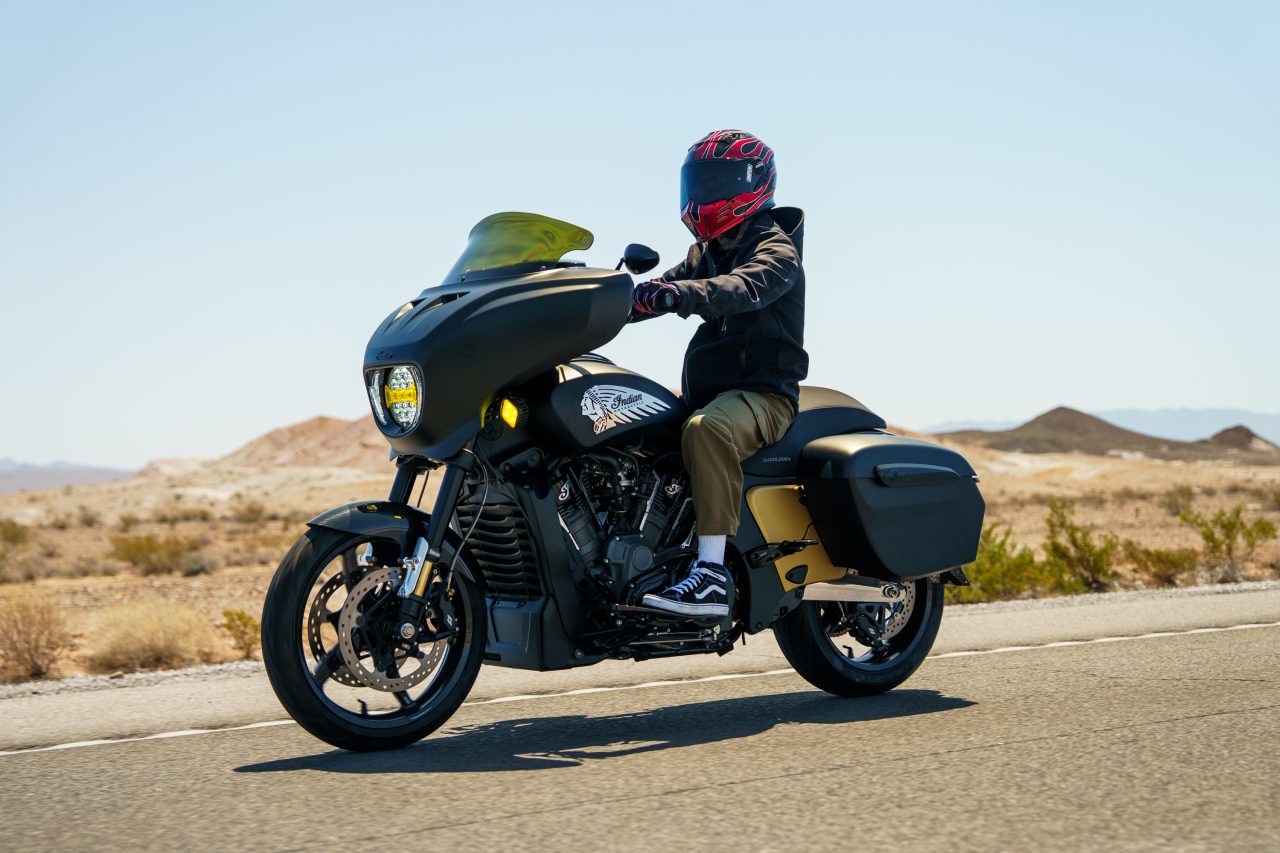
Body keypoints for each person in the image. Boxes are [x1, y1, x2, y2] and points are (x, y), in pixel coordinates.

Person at [632, 129, 808, 618]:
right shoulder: (702, 256)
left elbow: (740, 286)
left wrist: (679, 295)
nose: (706, 194)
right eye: (701, 181)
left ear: (754, 185)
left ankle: (710, 575)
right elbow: (659, 287)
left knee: (706, 430)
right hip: (712, 395)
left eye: (721, 181)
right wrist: (606, 300)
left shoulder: (777, 250)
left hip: (763, 397)